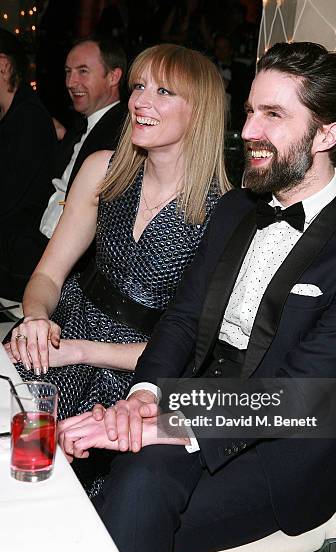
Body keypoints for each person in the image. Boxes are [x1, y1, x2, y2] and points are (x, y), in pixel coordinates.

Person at [57, 42, 336, 552]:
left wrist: (163, 424)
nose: (247, 130)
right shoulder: (238, 206)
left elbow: (299, 389)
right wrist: (143, 399)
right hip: (191, 400)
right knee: (109, 492)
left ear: (326, 136)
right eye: (248, 112)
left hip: (276, 450)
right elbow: (183, 318)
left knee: (123, 504)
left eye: (273, 116)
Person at [6, 44, 230, 498]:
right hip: (66, 332)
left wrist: (81, 351)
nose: (140, 102)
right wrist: (35, 320)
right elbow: (48, 276)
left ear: (200, 109)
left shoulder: (223, 214)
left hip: (140, 375)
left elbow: (190, 350)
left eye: (163, 91)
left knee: (75, 496)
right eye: (139, 87)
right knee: (16, 454)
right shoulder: (102, 171)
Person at [0, 36, 127, 301]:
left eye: (83, 71)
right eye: (68, 72)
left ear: (113, 76)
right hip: (35, 241)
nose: (71, 83)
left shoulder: (121, 134)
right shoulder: (83, 126)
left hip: (64, 262)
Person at [0, 28, 57, 302]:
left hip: (18, 264)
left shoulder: (28, 119)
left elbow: (10, 200)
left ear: (2, 66)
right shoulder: (14, 113)